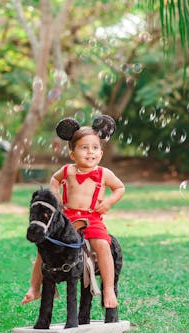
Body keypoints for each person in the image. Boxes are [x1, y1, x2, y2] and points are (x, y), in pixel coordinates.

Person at [22, 115, 125, 308]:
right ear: (72, 154)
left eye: (95, 148)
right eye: (83, 148)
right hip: (67, 218)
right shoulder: (67, 170)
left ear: (101, 153)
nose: (90, 152)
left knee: (102, 245)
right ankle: (35, 288)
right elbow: (54, 179)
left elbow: (120, 188)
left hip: (91, 218)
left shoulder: (104, 174)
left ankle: (109, 288)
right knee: (43, 248)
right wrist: (56, 195)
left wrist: (109, 202)